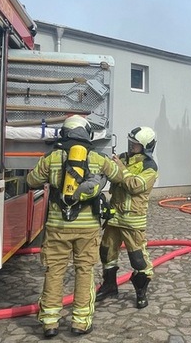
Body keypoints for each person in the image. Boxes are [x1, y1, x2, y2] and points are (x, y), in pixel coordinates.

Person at [26, 115, 121, 337]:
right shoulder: (97, 157)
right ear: (86, 133)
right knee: (84, 271)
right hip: (87, 229)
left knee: (54, 272)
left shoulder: (52, 158)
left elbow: (31, 181)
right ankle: (80, 322)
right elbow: (119, 176)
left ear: (65, 133)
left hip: (57, 227)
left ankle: (49, 323)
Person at [96, 126, 159, 309]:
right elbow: (111, 173)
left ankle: (141, 292)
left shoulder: (149, 167)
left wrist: (121, 169)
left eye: (136, 145)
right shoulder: (122, 157)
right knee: (106, 252)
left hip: (133, 219)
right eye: (131, 143)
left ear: (146, 147)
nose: (131, 147)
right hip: (114, 216)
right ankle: (109, 286)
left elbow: (134, 186)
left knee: (138, 258)